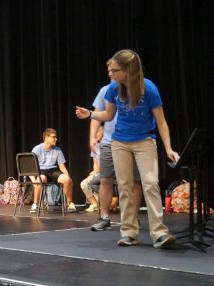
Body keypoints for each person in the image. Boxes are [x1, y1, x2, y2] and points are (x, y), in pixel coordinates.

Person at [76, 49, 179, 248]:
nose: (111, 73)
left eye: (115, 70)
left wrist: (168, 148)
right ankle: (129, 233)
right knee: (124, 186)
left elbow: (162, 122)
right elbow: (107, 115)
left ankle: (159, 233)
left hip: (145, 141)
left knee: (150, 183)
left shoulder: (148, 88)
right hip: (120, 142)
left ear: (128, 70)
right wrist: (89, 114)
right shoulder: (113, 89)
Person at [87, 63, 142, 231]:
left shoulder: (134, 89)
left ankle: (133, 217)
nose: (110, 73)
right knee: (105, 179)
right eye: (108, 70)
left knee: (134, 181)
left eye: (114, 70)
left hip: (131, 140)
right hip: (109, 142)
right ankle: (104, 217)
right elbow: (96, 116)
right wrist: (92, 138)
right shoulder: (105, 90)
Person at [31, 128, 76, 213]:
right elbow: (30, 167)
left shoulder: (57, 150)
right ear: (46, 137)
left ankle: (70, 203)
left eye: (56, 137)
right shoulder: (37, 149)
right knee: (41, 180)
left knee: (66, 180)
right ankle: (35, 204)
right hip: (41, 171)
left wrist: (68, 178)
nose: (56, 139)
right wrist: (34, 181)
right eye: (53, 137)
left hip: (53, 171)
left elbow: (62, 167)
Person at [80, 126, 103, 213]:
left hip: (110, 172)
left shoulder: (109, 145)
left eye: (98, 132)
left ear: (103, 132)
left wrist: (97, 172)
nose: (96, 134)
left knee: (88, 183)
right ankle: (95, 204)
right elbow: (95, 164)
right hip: (100, 173)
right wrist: (95, 172)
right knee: (85, 183)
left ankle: (99, 203)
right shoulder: (95, 147)